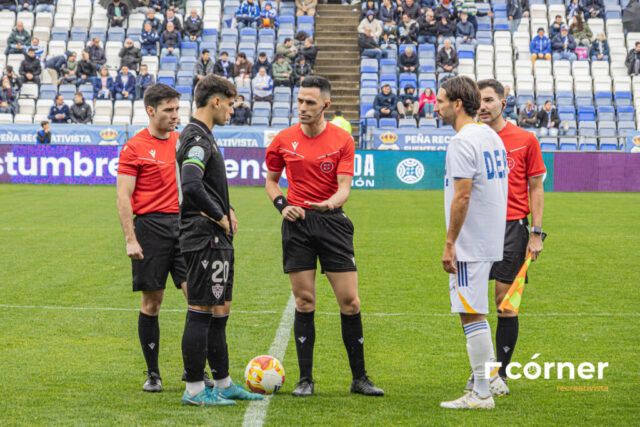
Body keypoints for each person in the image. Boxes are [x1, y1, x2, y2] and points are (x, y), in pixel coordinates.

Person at [264, 75, 384, 398]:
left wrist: (330, 203)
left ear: (325, 105)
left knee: (350, 302)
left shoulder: (342, 140)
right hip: (297, 224)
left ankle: (359, 378)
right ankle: (305, 380)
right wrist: (282, 205)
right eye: (300, 101)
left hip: (332, 223)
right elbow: (272, 181)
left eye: (310, 102)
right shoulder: (282, 140)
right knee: (304, 301)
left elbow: (344, 187)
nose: (302, 107)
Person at [176, 74, 264, 406]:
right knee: (200, 308)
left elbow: (207, 186)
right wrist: (219, 215)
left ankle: (224, 384)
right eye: (229, 104)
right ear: (215, 101)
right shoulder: (196, 138)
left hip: (215, 237)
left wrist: (227, 209)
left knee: (218, 308)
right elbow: (191, 183)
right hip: (203, 237)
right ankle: (195, 390)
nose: (231, 110)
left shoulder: (205, 136)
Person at [436, 76, 508, 410]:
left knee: (470, 314)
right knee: (475, 309)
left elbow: (462, 196)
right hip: (489, 236)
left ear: (457, 104)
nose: (437, 107)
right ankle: (491, 379)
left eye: (440, 101)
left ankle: (481, 393)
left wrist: (450, 243)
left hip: (471, 241)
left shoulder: (462, 141)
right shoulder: (490, 135)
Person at [117, 83, 190, 393]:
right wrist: (130, 238)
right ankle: (153, 374)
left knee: (197, 300)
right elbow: (123, 195)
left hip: (185, 228)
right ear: (151, 110)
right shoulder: (134, 147)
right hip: (150, 229)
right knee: (152, 303)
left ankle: (193, 369)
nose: (175, 115)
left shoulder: (183, 142)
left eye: (177, 109)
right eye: (168, 110)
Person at [476, 79, 545, 394]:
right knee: (473, 305)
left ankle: (499, 375)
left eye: (489, 100)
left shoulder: (525, 139)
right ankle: (479, 371)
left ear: (503, 103)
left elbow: (536, 188)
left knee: (505, 305)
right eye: (478, 101)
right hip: (477, 228)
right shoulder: (471, 138)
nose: (483, 106)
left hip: (512, 229)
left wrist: (536, 233)